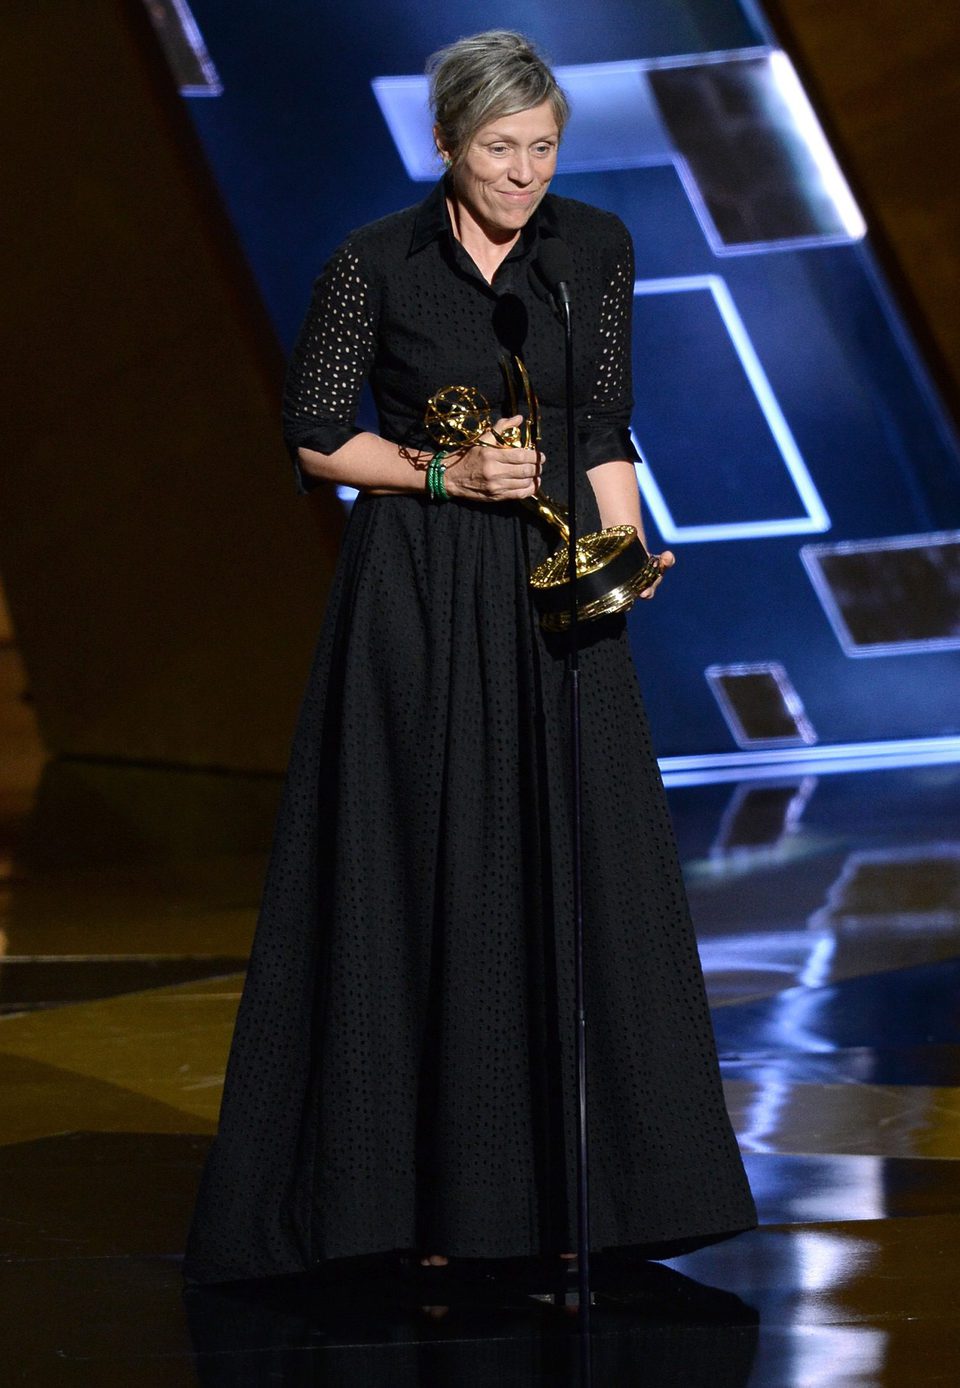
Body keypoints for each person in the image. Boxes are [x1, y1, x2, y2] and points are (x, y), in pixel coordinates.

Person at [183, 29, 757, 1285]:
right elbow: (317, 438)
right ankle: (418, 1194)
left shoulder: (591, 249)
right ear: (446, 145)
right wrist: (450, 472)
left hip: (553, 595)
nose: (524, 176)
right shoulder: (373, 261)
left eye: (543, 149)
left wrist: (620, 544)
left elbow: (601, 418)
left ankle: (589, 1193)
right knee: (431, 865)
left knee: (580, 863)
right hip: (423, 592)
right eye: (500, 151)